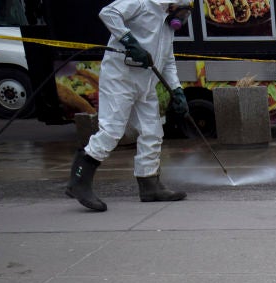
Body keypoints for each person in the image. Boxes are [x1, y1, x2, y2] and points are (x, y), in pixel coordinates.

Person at [65, 0, 193, 212]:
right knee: (112, 130)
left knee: (152, 132)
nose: (182, 19)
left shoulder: (167, 27)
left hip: (146, 84)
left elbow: (168, 61)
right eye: (183, 12)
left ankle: (149, 185)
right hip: (120, 78)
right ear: (172, 4)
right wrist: (129, 41)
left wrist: (177, 90)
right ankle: (78, 181)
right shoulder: (142, 3)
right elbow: (108, 13)